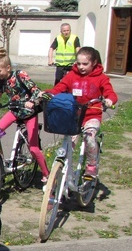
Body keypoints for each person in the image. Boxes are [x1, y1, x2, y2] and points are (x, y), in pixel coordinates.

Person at [0, 48, 50, 183]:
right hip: (15, 111)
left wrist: (32, 101)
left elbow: (36, 90)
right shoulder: (2, 81)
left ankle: (46, 174)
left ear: (8, 67)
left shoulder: (20, 75)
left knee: (33, 148)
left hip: (29, 114)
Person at [47, 47, 118, 177]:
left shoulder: (101, 78)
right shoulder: (72, 75)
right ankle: (61, 173)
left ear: (94, 62)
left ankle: (91, 165)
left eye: (85, 64)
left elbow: (110, 93)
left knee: (89, 138)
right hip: (74, 116)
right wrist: (48, 94)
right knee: (68, 144)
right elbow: (59, 88)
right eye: (78, 63)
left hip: (92, 115)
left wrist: (109, 100)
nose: (81, 67)